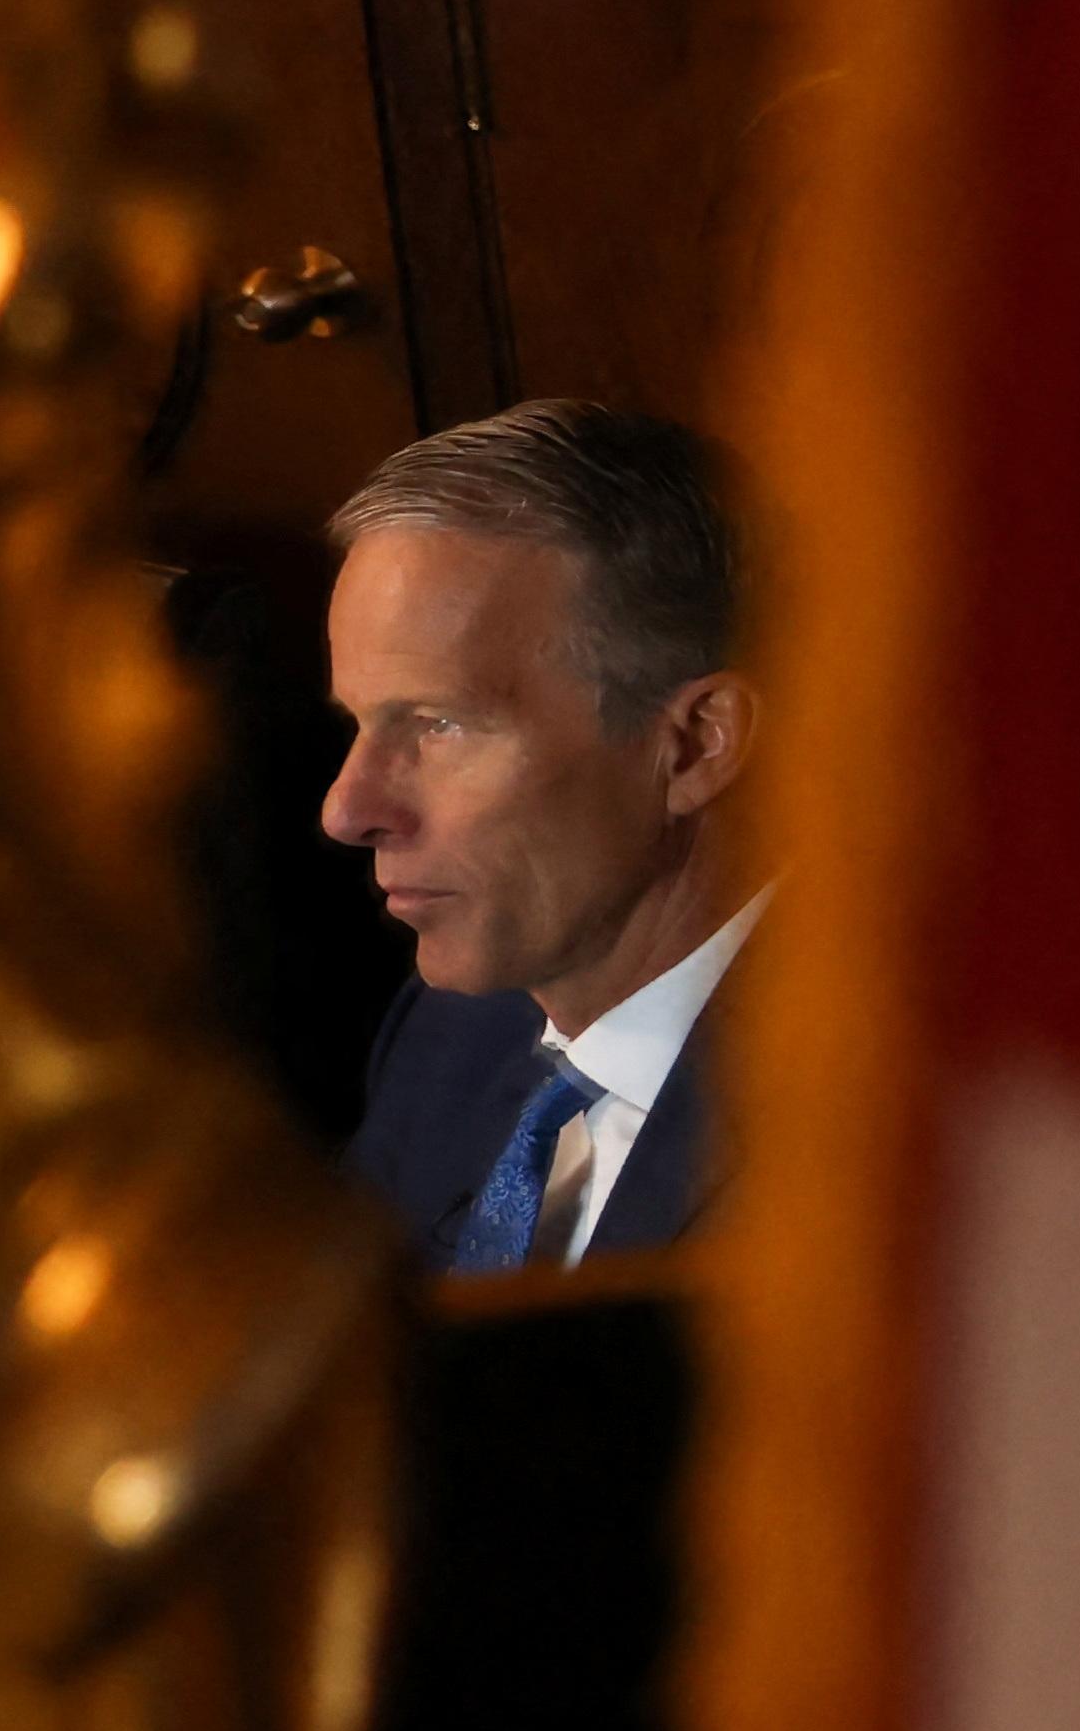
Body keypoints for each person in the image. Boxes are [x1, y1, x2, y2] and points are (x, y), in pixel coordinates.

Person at [318, 401, 762, 1275]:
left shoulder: (876, 1152)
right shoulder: (454, 1029)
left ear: (695, 744)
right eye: (359, 725)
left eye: (439, 725)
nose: (347, 808)